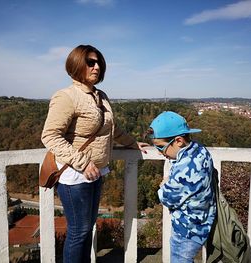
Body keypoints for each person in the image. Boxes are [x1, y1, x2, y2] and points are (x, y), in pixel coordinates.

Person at [41, 44, 148, 263]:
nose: (96, 66)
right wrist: (82, 162)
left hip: (97, 172)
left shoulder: (101, 96)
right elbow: (50, 136)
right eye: (90, 62)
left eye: (99, 62)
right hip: (74, 174)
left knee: (87, 229)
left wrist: (133, 143)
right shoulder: (66, 96)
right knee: (78, 231)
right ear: (77, 64)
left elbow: (112, 128)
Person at [147, 111, 216, 263]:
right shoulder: (199, 150)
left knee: (180, 258)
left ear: (178, 141)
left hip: (187, 229)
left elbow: (166, 198)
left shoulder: (186, 168)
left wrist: (164, 185)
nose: (159, 153)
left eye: (160, 147)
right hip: (202, 220)